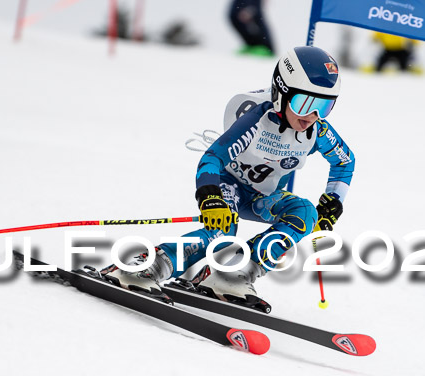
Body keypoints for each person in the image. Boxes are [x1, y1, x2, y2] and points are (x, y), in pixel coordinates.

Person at [104, 46, 355, 310]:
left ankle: (232, 273)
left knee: (304, 213)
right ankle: (145, 267)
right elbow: (212, 158)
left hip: (263, 197)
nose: (311, 116)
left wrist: (333, 203)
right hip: (228, 185)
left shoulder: (318, 131)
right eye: (304, 103)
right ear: (282, 93)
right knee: (222, 233)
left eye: (323, 106)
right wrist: (210, 197)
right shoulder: (258, 120)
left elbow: (345, 161)